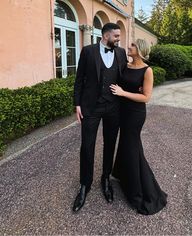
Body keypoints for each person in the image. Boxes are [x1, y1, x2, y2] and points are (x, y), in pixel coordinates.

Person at [73, 23, 127, 213]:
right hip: (91, 107)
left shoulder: (120, 53)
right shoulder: (88, 52)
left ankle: (105, 178)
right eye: (116, 36)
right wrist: (77, 104)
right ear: (105, 36)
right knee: (87, 146)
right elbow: (79, 79)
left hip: (114, 107)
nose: (119, 39)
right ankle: (84, 184)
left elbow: (125, 79)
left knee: (110, 143)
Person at [110, 39, 167, 215]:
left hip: (135, 114)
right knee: (127, 145)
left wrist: (123, 92)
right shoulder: (125, 66)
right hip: (122, 111)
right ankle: (121, 173)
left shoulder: (147, 70)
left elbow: (146, 97)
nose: (129, 47)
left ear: (140, 50)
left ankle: (139, 192)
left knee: (132, 147)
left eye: (132, 46)